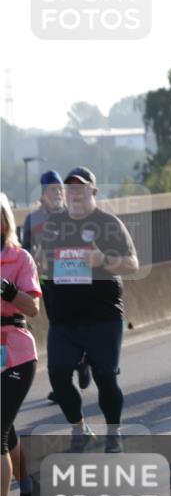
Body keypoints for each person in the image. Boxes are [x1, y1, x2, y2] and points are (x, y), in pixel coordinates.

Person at [36, 167, 140, 452]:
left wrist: (102, 259)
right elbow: (43, 265)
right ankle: (79, 428)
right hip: (64, 318)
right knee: (57, 376)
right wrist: (41, 263)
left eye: (80, 188)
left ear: (93, 192)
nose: (75, 194)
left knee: (106, 376)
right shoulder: (54, 224)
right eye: (70, 189)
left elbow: (132, 264)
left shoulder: (108, 224)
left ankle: (113, 432)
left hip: (102, 315)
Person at [21, 170, 92, 400]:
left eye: (61, 188)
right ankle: (66, 377)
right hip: (46, 282)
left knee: (73, 324)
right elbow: (25, 250)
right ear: (43, 193)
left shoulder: (72, 214)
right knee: (58, 327)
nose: (59, 193)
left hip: (72, 280)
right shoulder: (33, 220)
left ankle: (81, 360)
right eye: (53, 189)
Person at [1, 193, 42, 496]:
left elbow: (33, 309)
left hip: (15, 352)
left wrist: (7, 289)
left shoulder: (20, 257)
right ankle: (28, 487)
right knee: (5, 431)